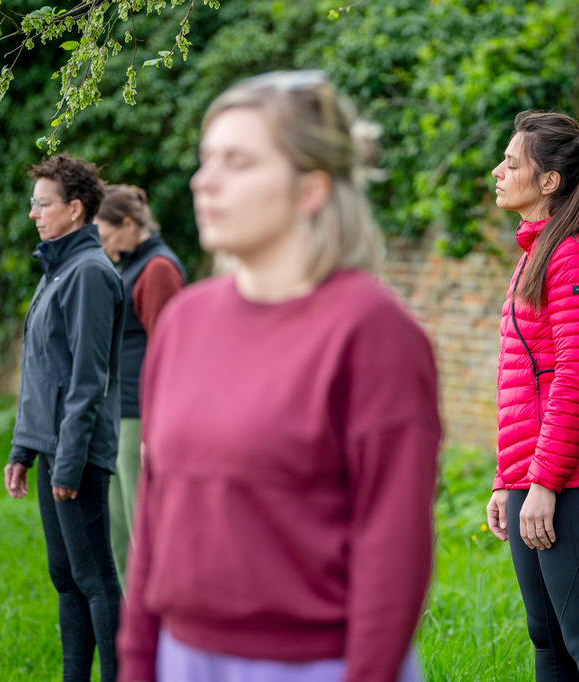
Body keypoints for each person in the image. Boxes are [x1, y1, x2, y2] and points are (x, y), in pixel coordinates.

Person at [116, 70, 441, 682]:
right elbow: (156, 518)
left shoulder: (373, 331)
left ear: (310, 190)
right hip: (180, 657)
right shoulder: (185, 321)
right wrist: (136, 664)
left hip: (319, 664)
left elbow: (393, 553)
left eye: (236, 162)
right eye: (206, 158)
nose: (203, 180)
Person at [486, 111, 579, 681]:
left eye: (512, 163)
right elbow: (523, 382)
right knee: (548, 639)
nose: (498, 172)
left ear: (549, 181)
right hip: (535, 475)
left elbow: (575, 375)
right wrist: (508, 478)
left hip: (572, 478)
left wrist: (543, 483)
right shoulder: (538, 252)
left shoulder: (573, 257)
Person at [4, 153, 126, 682]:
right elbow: (41, 371)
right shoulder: (57, 268)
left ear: (75, 210)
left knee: (96, 577)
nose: (33, 213)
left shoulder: (90, 274)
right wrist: (22, 449)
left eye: (42, 204)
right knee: (66, 577)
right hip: (51, 448)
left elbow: (85, 379)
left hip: (75, 454)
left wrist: (69, 464)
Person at [95, 184, 186, 589]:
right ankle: (129, 639)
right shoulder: (133, 263)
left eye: (107, 236)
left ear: (129, 224)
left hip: (139, 417)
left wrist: (154, 430)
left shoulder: (159, 269)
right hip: (119, 414)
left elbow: (172, 356)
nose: (107, 247)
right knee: (118, 537)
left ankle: (161, 639)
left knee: (143, 535)